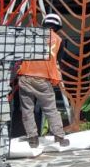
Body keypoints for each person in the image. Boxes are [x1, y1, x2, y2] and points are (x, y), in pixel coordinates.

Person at [16, 13, 69, 147]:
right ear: (57, 27)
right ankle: (59, 138)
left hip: (25, 76)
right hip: (43, 79)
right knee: (51, 109)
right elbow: (58, 61)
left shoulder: (32, 36)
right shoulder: (58, 40)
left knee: (27, 109)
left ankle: (33, 139)